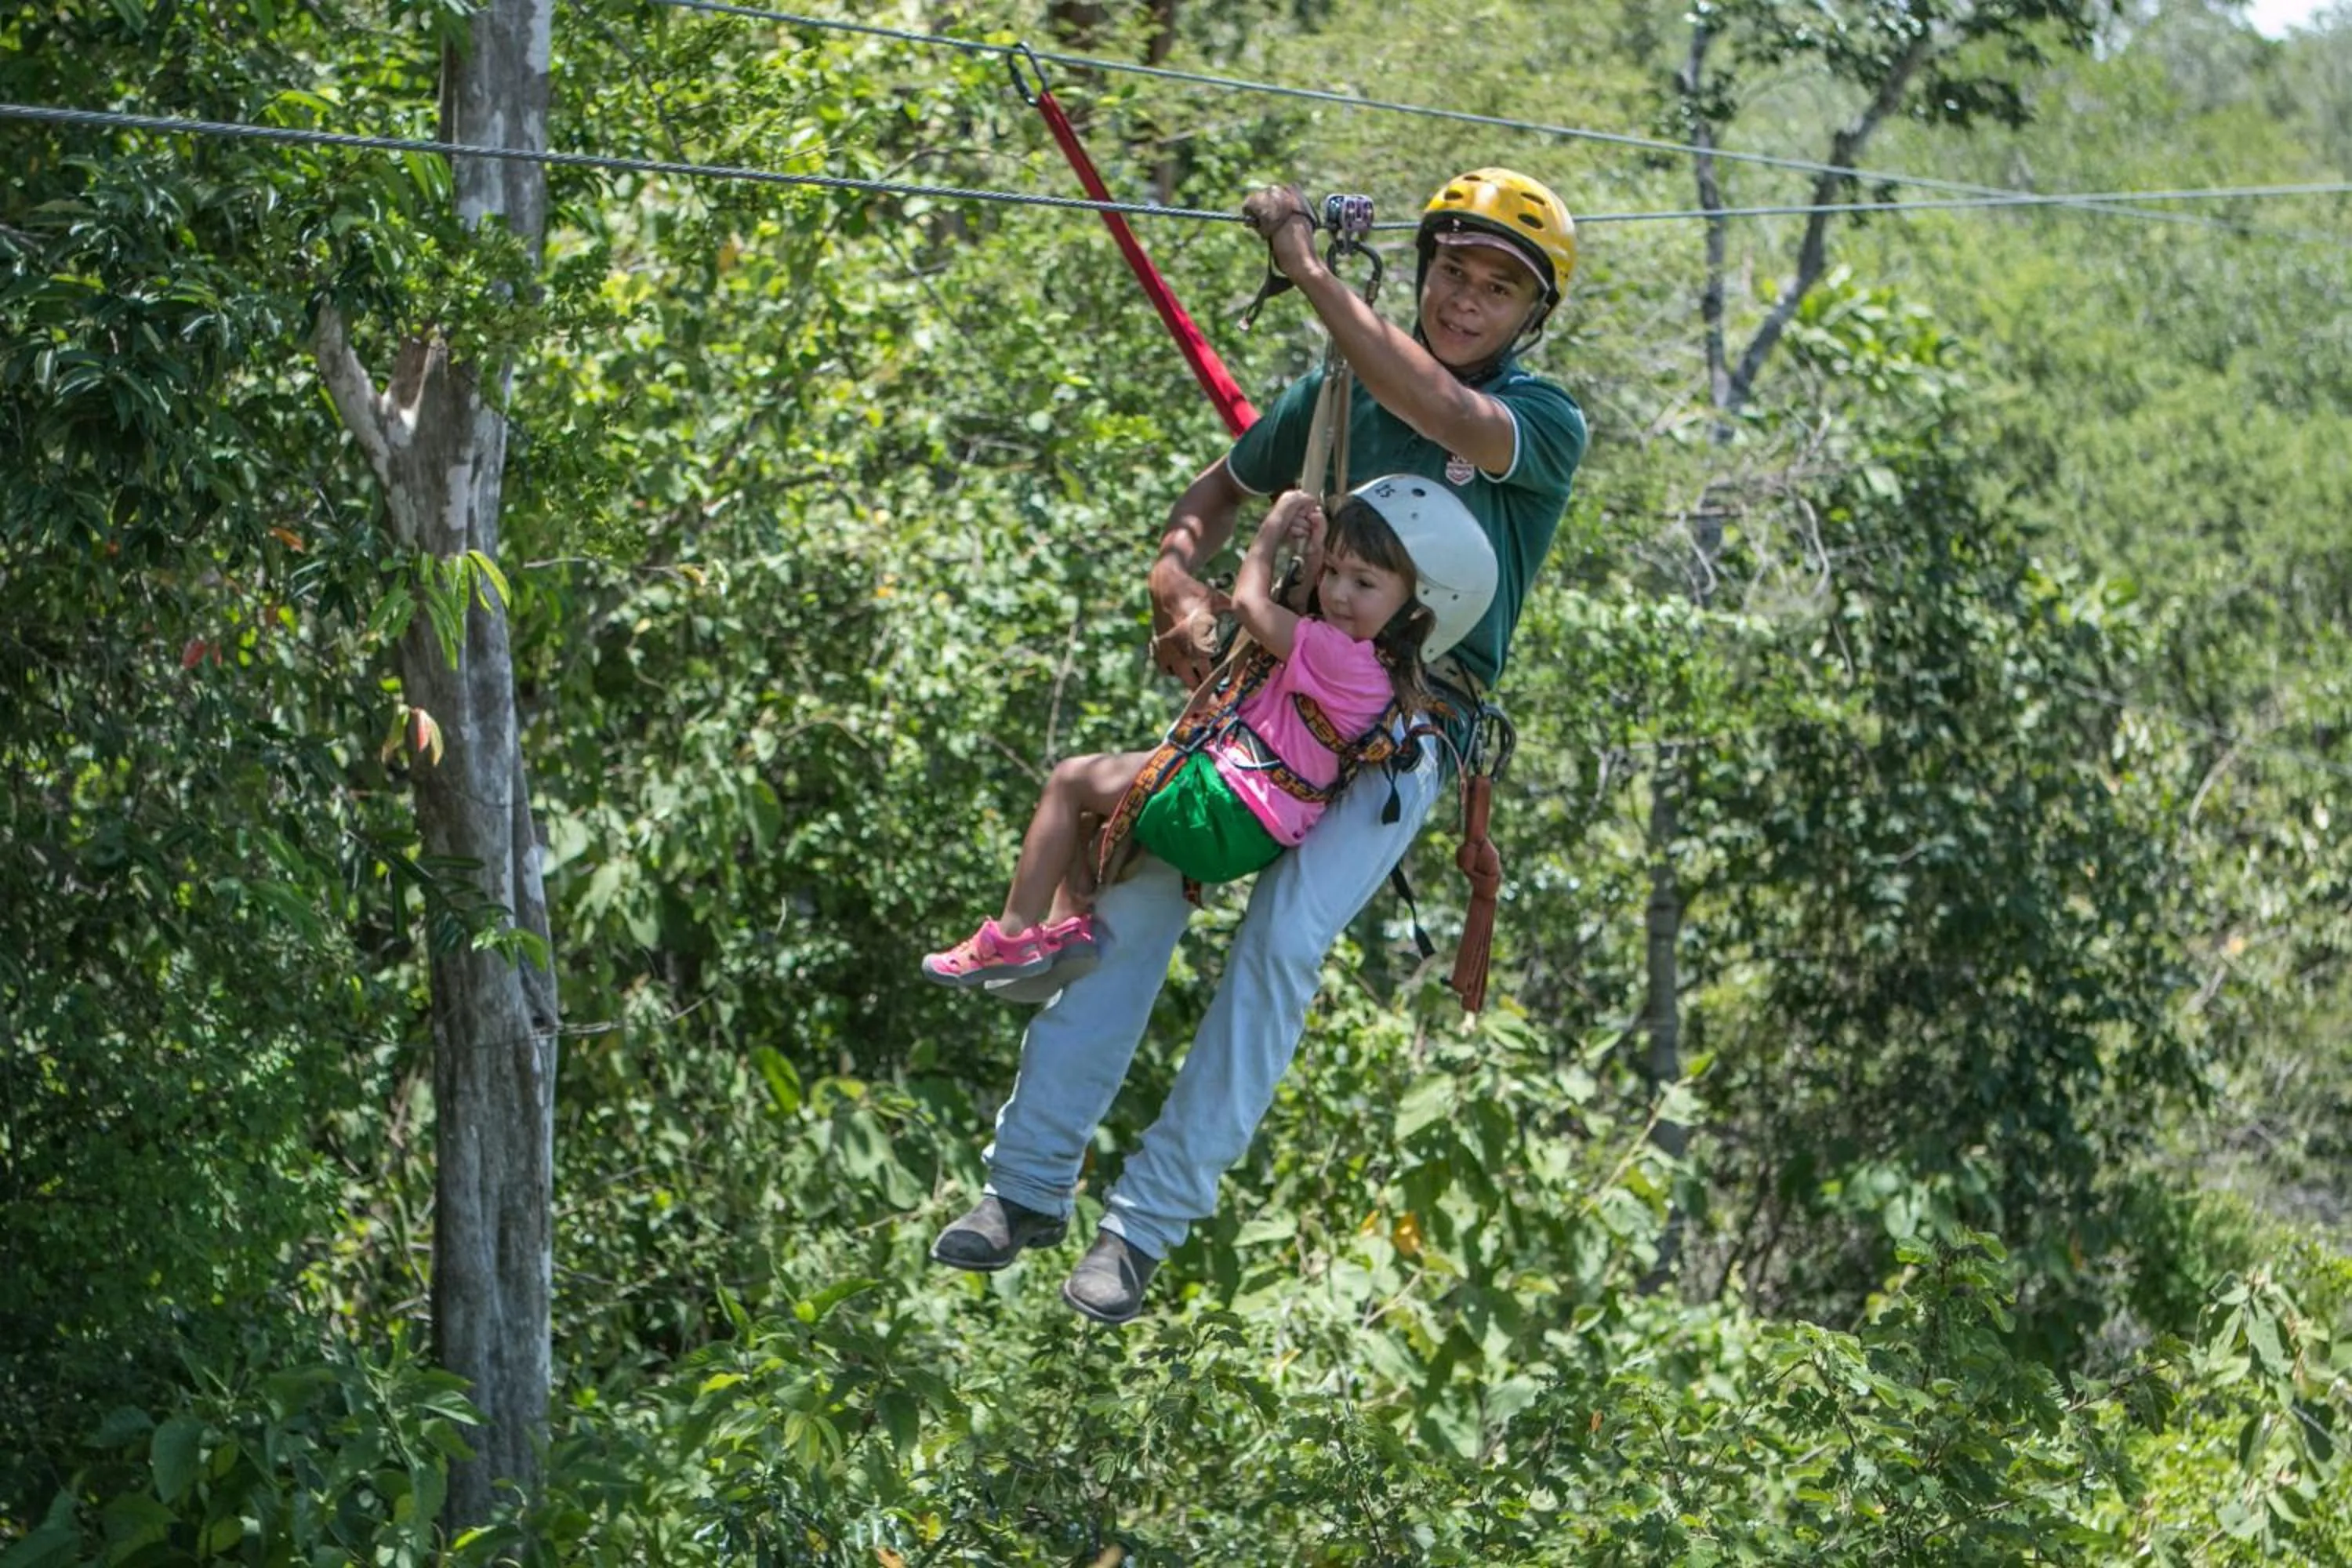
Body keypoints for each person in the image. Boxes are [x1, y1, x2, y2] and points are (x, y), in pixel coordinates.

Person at [931, 167, 1589, 1326]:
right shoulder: (1338, 391)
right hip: (1272, 699)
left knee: (1283, 936)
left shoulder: (1538, 427)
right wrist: (1176, 583)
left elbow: (1442, 408)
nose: (1466, 302)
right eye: (1451, 273)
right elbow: (1208, 504)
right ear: (1424, 268)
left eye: (1498, 290)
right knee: (1136, 887)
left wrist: (1305, 267)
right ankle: (1026, 1189)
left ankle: (1141, 1231)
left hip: (1405, 728)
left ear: (1531, 319)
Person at [917, 479, 1467, 993]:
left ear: (1412, 606)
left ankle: (1009, 937)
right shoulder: (1376, 674)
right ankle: (1067, 930)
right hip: (1251, 832)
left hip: (1225, 806)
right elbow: (1306, 611)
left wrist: (1272, 527)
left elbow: (1254, 607)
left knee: (1070, 782)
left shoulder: (1337, 655)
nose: (1340, 593)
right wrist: (1317, 556)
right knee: (1098, 810)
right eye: (1335, 574)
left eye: (1364, 583)